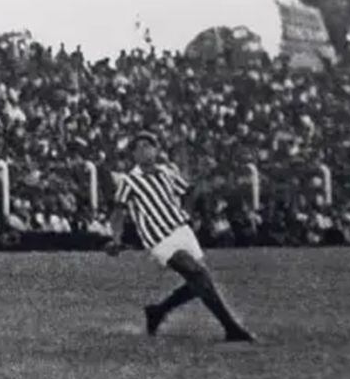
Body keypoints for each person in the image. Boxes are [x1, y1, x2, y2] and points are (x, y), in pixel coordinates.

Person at [104, 131, 256, 345]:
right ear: (134, 155)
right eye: (139, 147)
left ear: (156, 150)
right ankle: (231, 328)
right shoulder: (129, 181)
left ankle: (158, 311)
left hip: (182, 231)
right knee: (197, 273)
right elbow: (118, 212)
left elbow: (187, 192)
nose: (145, 150)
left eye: (149, 145)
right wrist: (116, 239)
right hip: (159, 237)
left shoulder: (167, 172)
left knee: (199, 281)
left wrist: (190, 209)